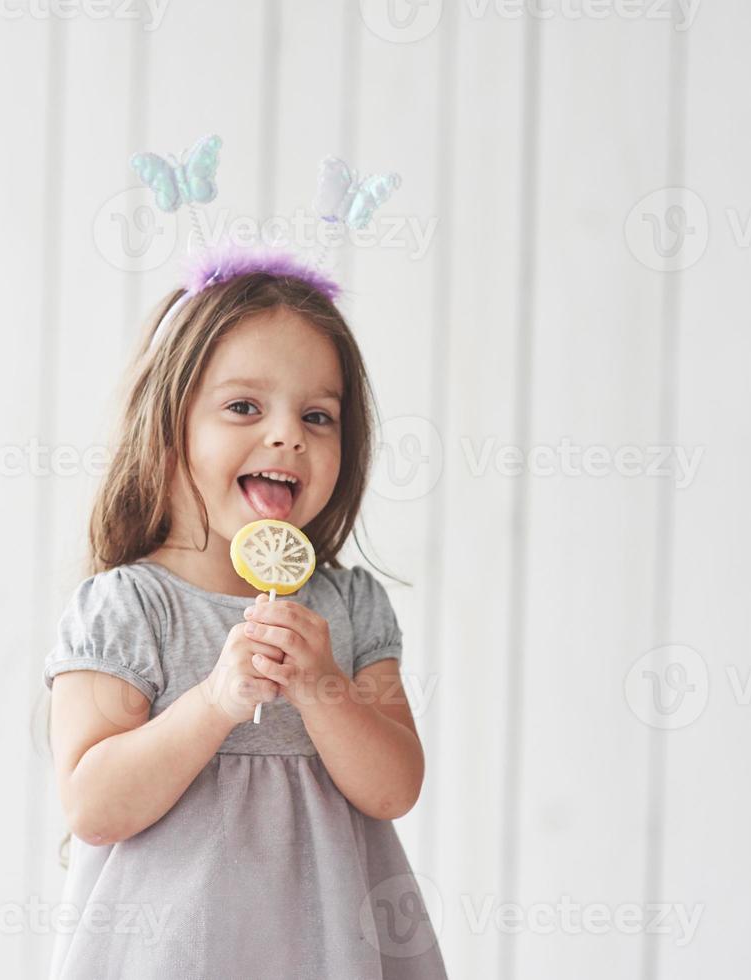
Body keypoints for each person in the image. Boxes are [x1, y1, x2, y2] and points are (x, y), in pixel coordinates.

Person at [41, 241, 450, 978]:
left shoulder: (349, 607)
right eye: (242, 407)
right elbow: (93, 806)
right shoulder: (130, 607)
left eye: (319, 416)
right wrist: (215, 701)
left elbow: (393, 788)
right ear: (168, 428)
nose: (287, 433)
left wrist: (322, 684)